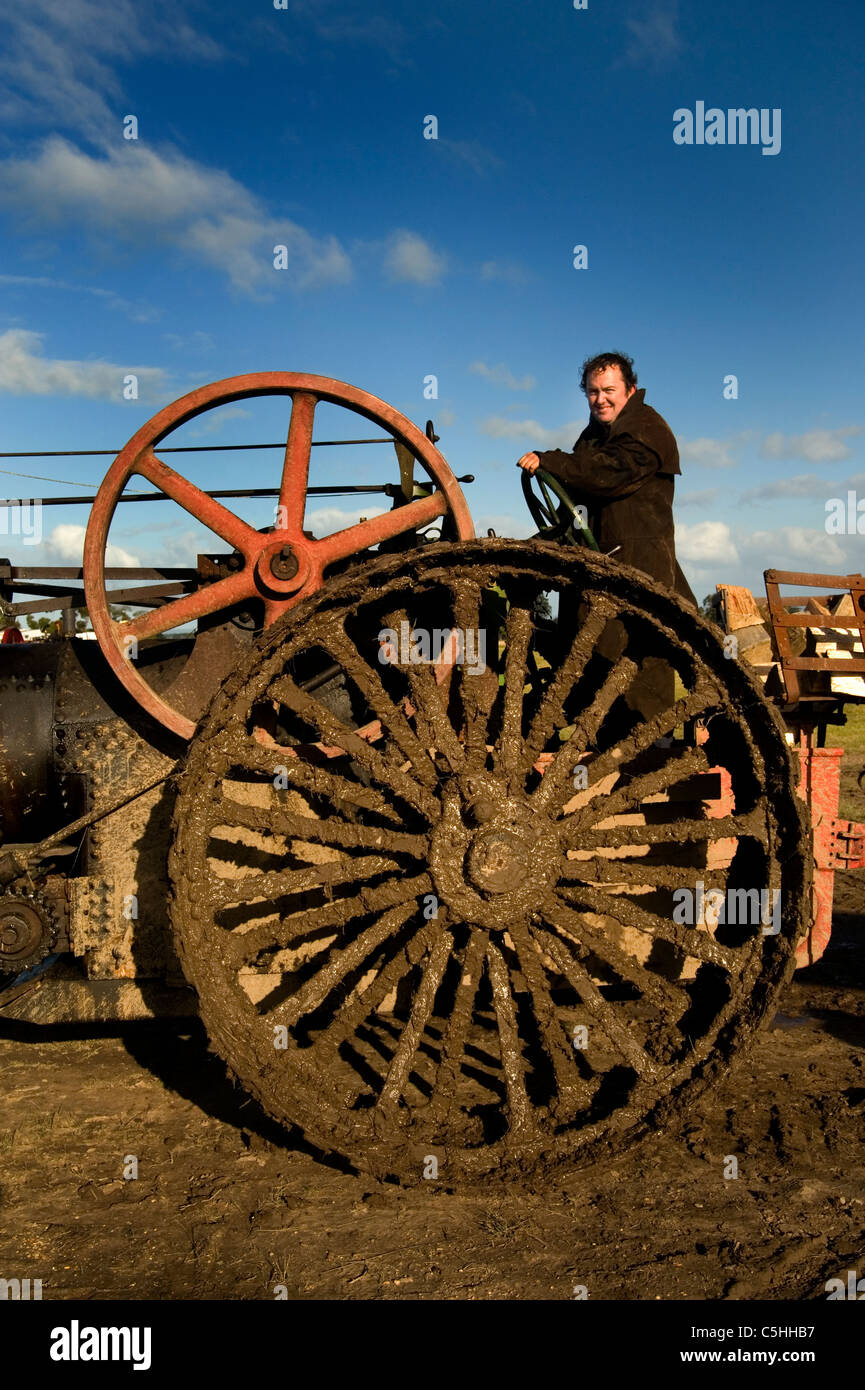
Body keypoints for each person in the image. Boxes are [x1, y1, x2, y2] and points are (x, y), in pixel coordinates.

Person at [517, 352, 695, 726]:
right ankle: (595, 747)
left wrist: (550, 460)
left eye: (609, 390)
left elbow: (604, 474)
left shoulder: (647, 431)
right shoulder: (594, 435)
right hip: (599, 565)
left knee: (638, 656)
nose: (601, 399)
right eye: (593, 392)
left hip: (638, 565)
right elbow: (578, 500)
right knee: (590, 655)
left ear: (630, 390)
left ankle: (644, 750)